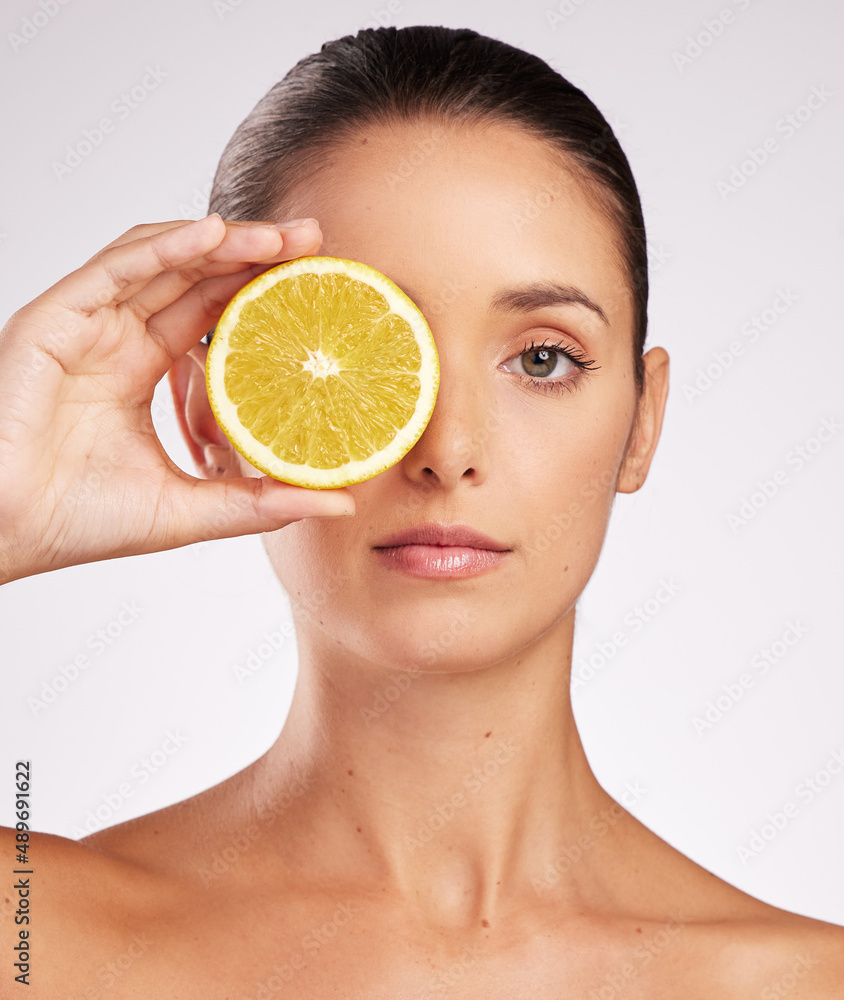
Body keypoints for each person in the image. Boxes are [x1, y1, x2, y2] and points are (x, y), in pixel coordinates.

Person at [2, 23, 842, 997]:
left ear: (641, 424)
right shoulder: (37, 939)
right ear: (214, 413)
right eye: (357, 360)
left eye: (541, 358)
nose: (445, 452)